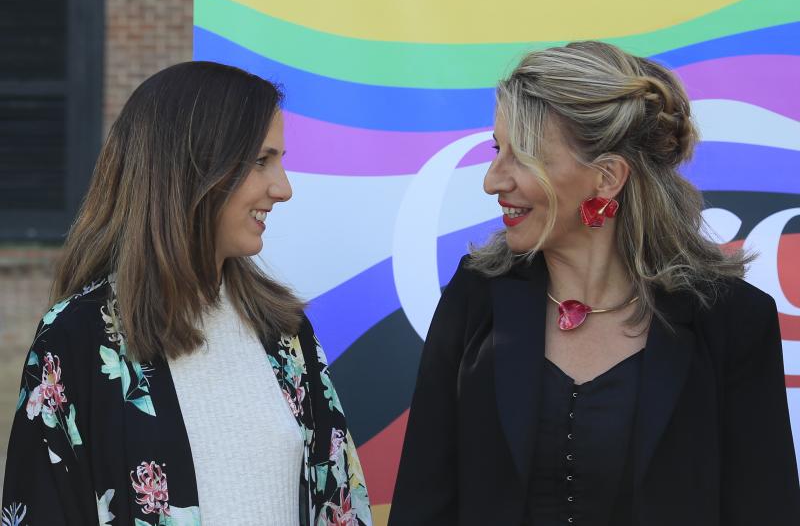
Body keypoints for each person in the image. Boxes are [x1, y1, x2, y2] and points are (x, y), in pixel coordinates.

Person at [389, 41, 799, 526]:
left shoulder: (731, 318)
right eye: (497, 150)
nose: (492, 180)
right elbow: (423, 504)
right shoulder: (476, 297)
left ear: (606, 178)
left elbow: (764, 509)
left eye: (522, 157)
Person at [1, 61, 371, 526]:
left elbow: (340, 503)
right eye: (261, 161)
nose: (283, 188)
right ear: (192, 168)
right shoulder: (75, 338)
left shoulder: (284, 334)